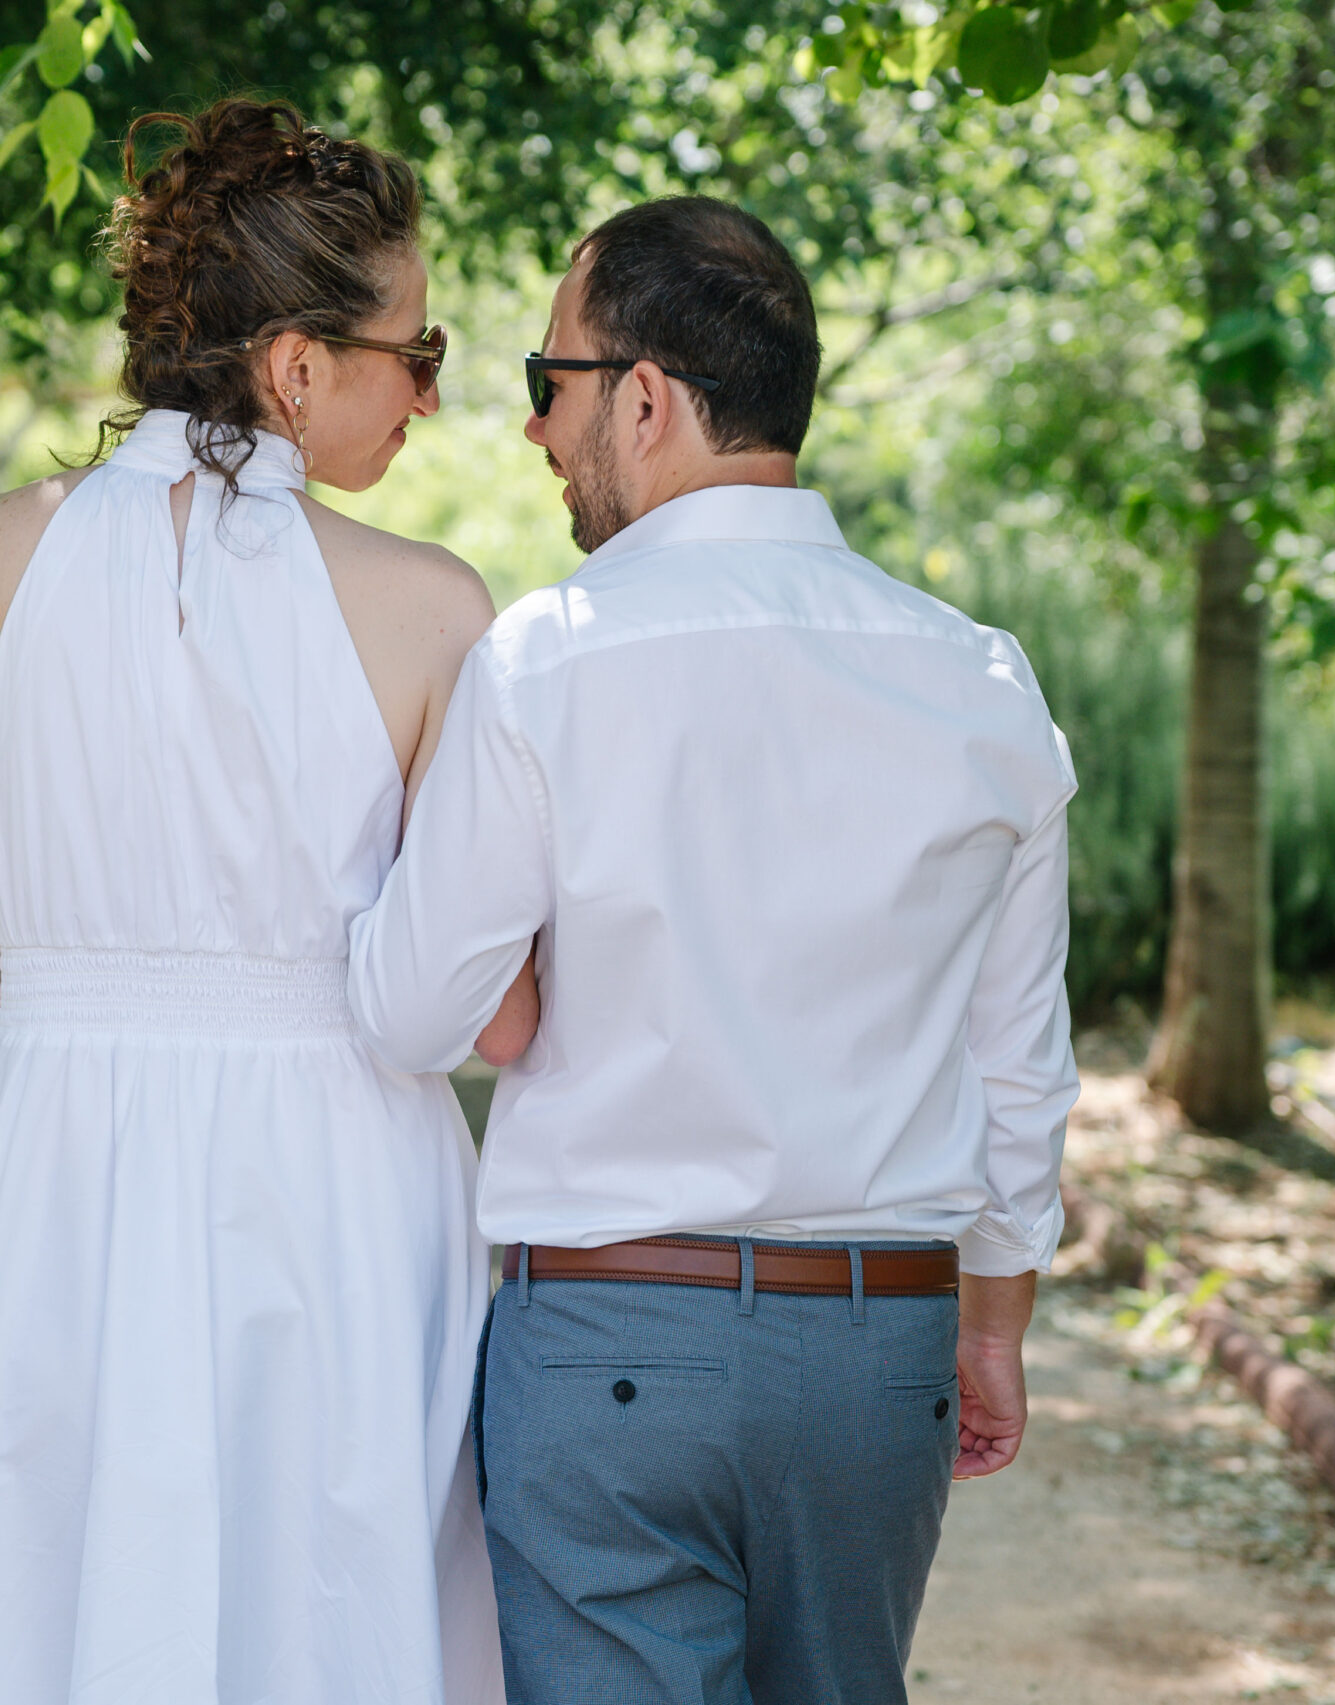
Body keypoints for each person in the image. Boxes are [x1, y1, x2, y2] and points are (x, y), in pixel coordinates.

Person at [0, 97, 526, 1703]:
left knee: (38, 1573)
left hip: (58, 1156)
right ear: (297, 368)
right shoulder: (434, 609)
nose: (433, 394)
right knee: (327, 1589)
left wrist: (110, 983)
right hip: (340, 1170)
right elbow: (485, 998)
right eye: (418, 353)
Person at [346, 195, 1080, 1705]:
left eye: (547, 380)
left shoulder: (544, 660)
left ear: (645, 399)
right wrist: (993, 1324)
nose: (534, 429)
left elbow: (411, 1014)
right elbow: (1021, 1062)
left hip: (607, 1336)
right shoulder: (982, 682)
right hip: (876, 1344)